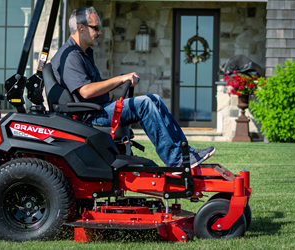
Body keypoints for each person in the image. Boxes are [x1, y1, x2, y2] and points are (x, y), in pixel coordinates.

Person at [50, 7, 215, 168]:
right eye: (96, 28)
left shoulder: (83, 53)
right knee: (145, 104)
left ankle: (185, 153)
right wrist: (121, 79)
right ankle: (175, 158)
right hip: (90, 116)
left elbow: (91, 85)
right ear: (81, 28)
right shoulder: (71, 56)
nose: (100, 32)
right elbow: (85, 91)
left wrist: (121, 79)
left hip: (99, 109)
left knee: (154, 99)